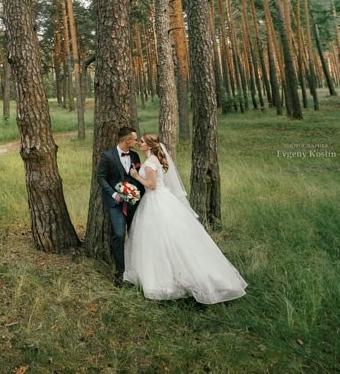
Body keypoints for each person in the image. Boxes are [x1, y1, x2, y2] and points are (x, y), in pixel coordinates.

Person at [123, 133, 247, 304]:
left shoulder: (151, 163)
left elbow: (152, 185)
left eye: (142, 142)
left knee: (159, 237)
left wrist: (136, 176)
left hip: (155, 200)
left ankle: (167, 278)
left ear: (150, 146)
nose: (140, 143)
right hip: (161, 198)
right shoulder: (154, 160)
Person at [96, 126, 144, 287]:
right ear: (127, 140)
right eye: (135, 139)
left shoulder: (135, 156)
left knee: (135, 235)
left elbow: (138, 177)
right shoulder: (107, 156)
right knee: (118, 234)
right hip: (115, 204)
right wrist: (113, 193)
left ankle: (136, 270)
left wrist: (138, 195)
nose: (137, 142)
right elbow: (101, 177)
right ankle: (120, 272)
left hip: (133, 203)